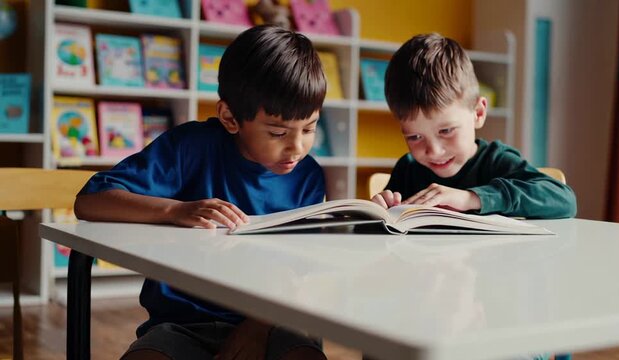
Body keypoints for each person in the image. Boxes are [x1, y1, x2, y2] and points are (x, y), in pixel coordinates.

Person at [74, 25, 328, 360]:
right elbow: (89, 201)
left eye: (309, 128)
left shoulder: (308, 176)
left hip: (272, 321)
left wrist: (255, 328)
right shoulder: (191, 147)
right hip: (182, 324)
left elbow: (298, 274)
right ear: (230, 117)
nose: (297, 147)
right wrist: (174, 210)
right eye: (278, 132)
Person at [371, 33, 576, 219]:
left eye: (446, 130)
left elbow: (564, 200)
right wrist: (380, 212)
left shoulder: (496, 161)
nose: (434, 151)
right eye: (415, 137)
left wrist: (471, 198)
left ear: (478, 113)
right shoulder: (408, 169)